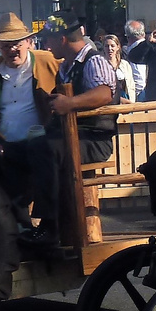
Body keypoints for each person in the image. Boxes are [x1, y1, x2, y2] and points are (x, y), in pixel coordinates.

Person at [24, 13, 118, 247]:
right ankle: (27, 222)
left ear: (62, 39)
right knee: (31, 148)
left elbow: (104, 93)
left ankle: (50, 227)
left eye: (49, 39)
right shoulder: (65, 66)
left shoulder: (93, 61)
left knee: (47, 149)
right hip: (72, 137)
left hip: (94, 140)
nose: (46, 45)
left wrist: (69, 104)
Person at [0, 13, 61, 227]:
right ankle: (18, 233)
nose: (11, 50)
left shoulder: (47, 61)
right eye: (5, 45)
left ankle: (47, 230)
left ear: (28, 42)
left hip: (38, 140)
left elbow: (69, 80)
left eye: (16, 43)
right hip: (4, 141)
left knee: (43, 169)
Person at [100, 31, 138, 103]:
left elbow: (131, 85)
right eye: (107, 46)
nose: (109, 48)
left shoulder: (124, 64)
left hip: (125, 97)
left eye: (112, 46)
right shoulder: (100, 65)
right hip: (109, 100)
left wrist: (132, 101)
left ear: (118, 47)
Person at [123, 20, 150, 100]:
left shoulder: (134, 50)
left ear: (128, 36)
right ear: (143, 33)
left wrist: (137, 94)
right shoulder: (150, 46)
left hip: (141, 93)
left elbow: (138, 76)